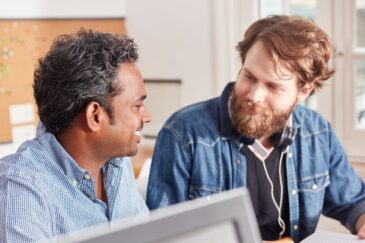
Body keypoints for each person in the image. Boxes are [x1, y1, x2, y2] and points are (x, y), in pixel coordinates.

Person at [146, 15, 365, 242]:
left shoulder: (317, 131)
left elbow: (354, 201)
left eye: (272, 86)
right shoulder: (183, 133)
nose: (254, 95)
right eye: (249, 76)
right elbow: (163, 237)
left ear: (304, 91)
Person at [0, 29, 151, 242]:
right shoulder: (23, 189)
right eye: (137, 106)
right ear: (95, 116)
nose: (147, 116)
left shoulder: (116, 160)